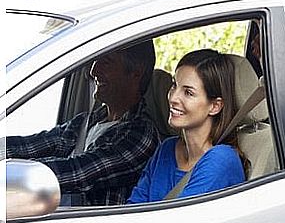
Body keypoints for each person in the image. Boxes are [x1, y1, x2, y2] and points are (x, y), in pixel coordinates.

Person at [6, 40, 160, 205]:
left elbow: (78, 173)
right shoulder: (86, 122)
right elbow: (32, 145)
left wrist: (10, 175)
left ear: (136, 72)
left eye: (106, 62)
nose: (93, 71)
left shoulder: (140, 136)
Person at [127, 49, 246, 203]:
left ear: (215, 106)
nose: (173, 98)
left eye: (188, 93)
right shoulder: (167, 149)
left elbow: (177, 222)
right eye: (174, 86)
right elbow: (134, 207)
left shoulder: (222, 160)